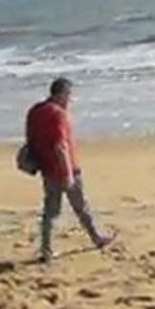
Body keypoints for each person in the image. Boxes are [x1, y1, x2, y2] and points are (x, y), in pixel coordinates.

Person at [25, 77, 114, 264]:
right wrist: (67, 174)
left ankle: (46, 249)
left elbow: (30, 139)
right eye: (69, 96)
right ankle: (96, 238)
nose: (70, 101)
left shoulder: (35, 111)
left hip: (47, 169)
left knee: (50, 211)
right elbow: (61, 146)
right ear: (62, 94)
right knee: (81, 207)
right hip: (65, 169)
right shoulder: (58, 114)